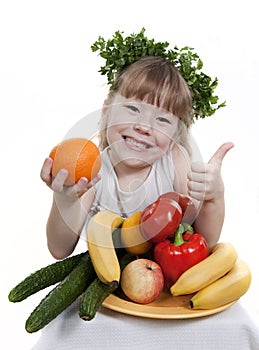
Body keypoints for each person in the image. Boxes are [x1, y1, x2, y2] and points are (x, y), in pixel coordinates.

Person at [33, 56, 259, 350]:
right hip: (105, 294)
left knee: (235, 327)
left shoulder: (176, 162)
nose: (143, 126)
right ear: (106, 110)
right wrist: (64, 197)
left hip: (170, 293)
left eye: (162, 120)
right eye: (133, 108)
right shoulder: (93, 169)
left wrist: (215, 196)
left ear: (177, 135)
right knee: (64, 335)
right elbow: (59, 249)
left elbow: (205, 243)